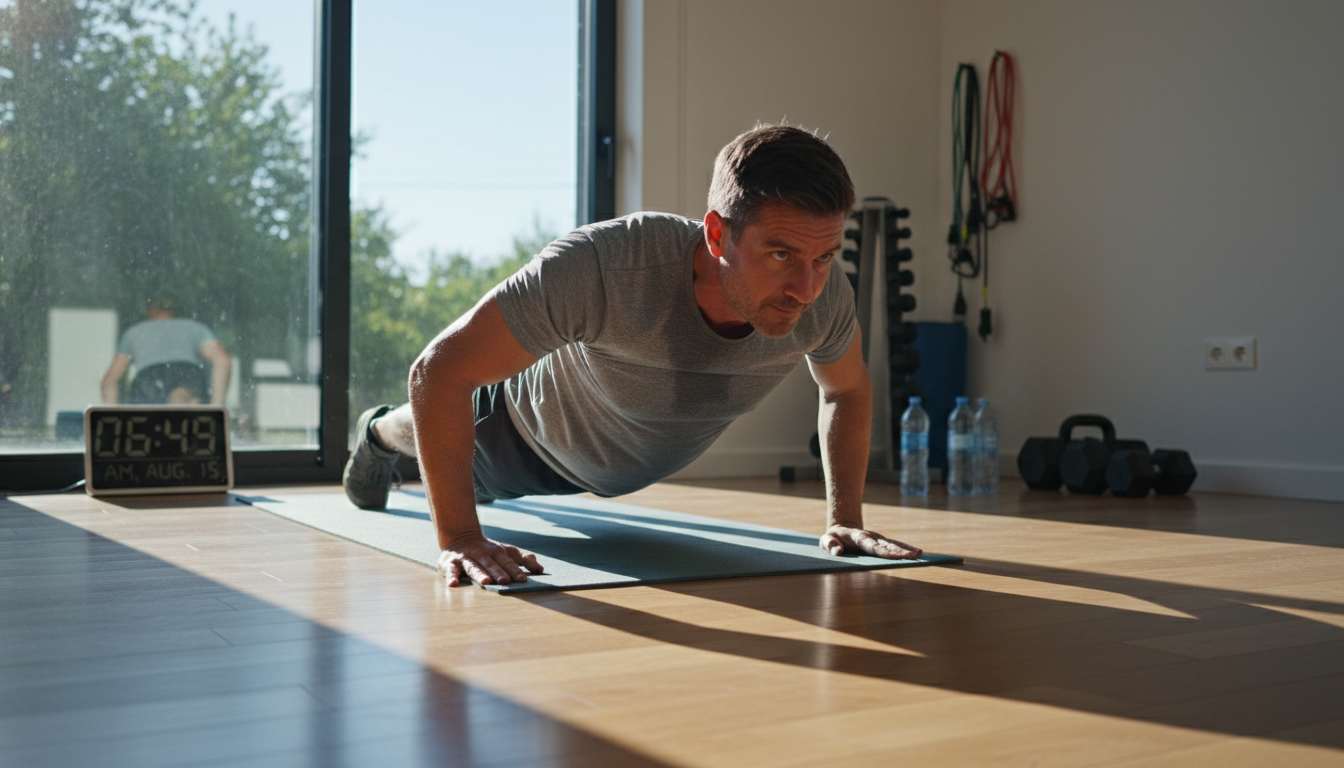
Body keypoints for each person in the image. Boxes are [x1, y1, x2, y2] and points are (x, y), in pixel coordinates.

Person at [343, 124, 923, 588]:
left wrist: (844, 516)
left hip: (614, 467)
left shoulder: (824, 293)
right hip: (516, 434)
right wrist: (461, 538)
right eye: (779, 254)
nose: (806, 287)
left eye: (824, 257)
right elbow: (438, 370)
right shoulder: (608, 263)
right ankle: (375, 436)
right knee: (417, 428)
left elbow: (845, 388)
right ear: (717, 235)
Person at [100, 294, 233, 406]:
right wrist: (217, 406)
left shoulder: (134, 333)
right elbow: (222, 361)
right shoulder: (194, 328)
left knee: (151, 416)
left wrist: (113, 419)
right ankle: (183, 399)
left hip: (148, 378)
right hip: (187, 373)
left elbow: (110, 381)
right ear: (174, 311)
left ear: (150, 311)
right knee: (181, 399)